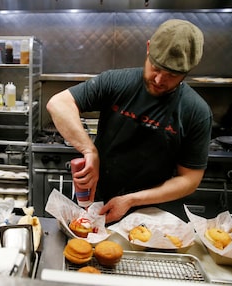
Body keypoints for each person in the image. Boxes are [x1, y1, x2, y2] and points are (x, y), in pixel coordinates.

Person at [47, 19, 213, 224]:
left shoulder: (196, 111)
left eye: (171, 75)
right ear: (149, 47)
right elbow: (58, 103)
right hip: (95, 203)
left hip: (149, 214)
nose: (159, 80)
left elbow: (190, 180)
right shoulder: (117, 82)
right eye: (156, 67)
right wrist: (90, 151)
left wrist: (131, 200)